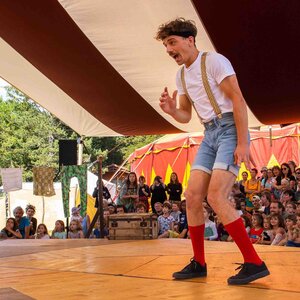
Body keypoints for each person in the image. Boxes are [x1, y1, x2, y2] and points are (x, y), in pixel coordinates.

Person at [156, 17, 269, 284]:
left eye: (172, 42)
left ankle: (254, 262)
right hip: (209, 133)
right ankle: (199, 263)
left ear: (190, 40)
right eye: (166, 45)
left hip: (230, 129)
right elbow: (185, 115)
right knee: (193, 196)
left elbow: (238, 100)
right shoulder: (181, 74)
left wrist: (243, 142)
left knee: (216, 196)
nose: (169, 50)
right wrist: (173, 111)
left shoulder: (214, 61)